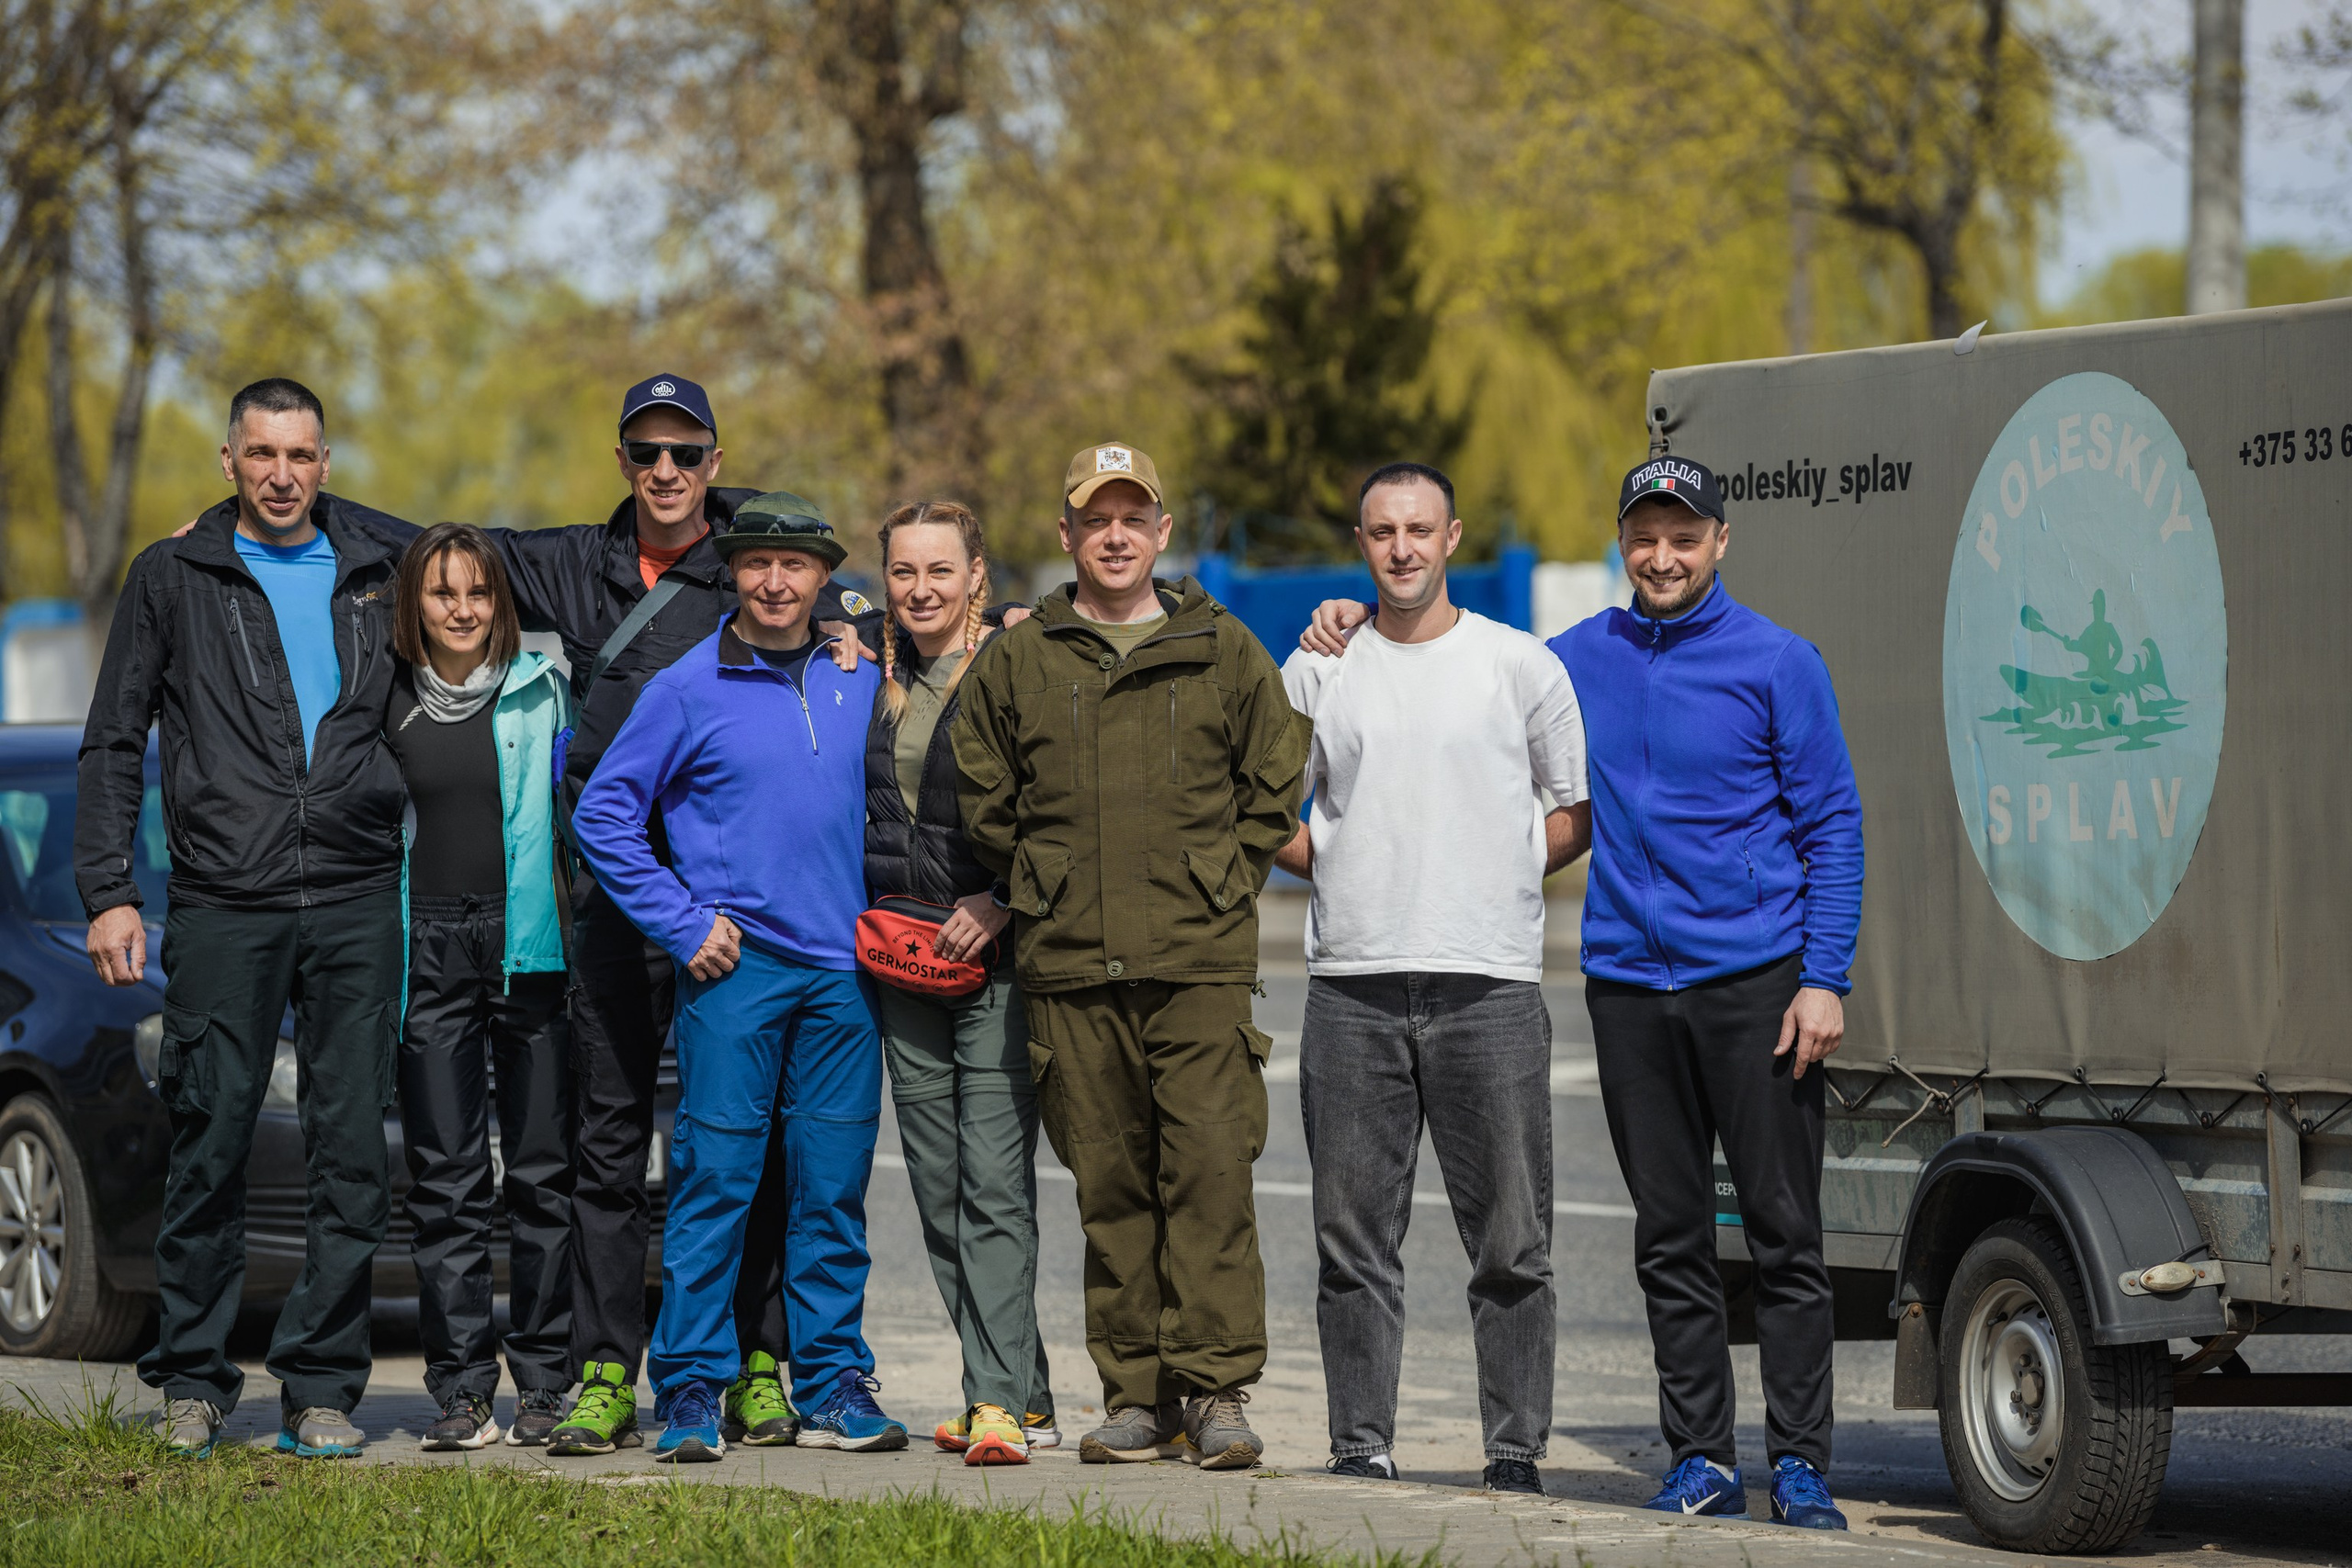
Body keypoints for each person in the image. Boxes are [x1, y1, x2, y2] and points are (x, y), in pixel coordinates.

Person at [1299, 454, 1865, 1529]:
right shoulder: (1565, 662)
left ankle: (1799, 1463)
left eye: (1683, 537)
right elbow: (1442, 675)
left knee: (1785, 1231)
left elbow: (1834, 828)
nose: (1662, 557)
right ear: (1622, 543)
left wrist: (1823, 978)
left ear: (1718, 543)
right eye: (1644, 538)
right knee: (1668, 1232)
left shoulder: (1780, 663)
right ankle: (1701, 1456)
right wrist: (1345, 617)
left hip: (1756, 985)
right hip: (1628, 985)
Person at [327, 374, 865, 1454]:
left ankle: (759, 1362)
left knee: (742, 1149)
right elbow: (441, 547)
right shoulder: (574, 559)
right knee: (606, 1149)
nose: (664, 472)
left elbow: (855, 595)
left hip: (732, 910)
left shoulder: (754, 557)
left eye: (686, 453)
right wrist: (294, 509)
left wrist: (875, 625)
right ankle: (609, 1364)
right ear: (622, 460)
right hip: (612, 900)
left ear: (714, 461)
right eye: (645, 452)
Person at [953, 443, 1310, 1470]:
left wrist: (1218, 881)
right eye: (1092, 518)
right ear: (1065, 536)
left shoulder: (1221, 646)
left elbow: (1274, 781)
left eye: (1132, 517)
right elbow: (984, 786)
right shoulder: (1021, 658)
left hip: (1197, 967)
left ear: (1160, 533)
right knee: (1108, 1187)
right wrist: (1040, 884)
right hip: (1070, 964)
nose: (1113, 535)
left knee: (1206, 1177)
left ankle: (1216, 1393)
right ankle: (1136, 1397)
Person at [76, 378, 410, 1460]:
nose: (280, 474)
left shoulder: (377, 566)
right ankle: (195, 1381)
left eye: (301, 455)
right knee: (210, 1141)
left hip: (359, 896)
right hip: (226, 901)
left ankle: (320, 1386)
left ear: (326, 461)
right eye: (260, 453)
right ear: (227, 460)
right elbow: (114, 738)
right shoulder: (173, 575)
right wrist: (110, 891)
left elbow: (499, 560)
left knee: (351, 1149)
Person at [1274, 463, 1590, 1497]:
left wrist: (1492, 876)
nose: (1400, 548)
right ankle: (1360, 1442)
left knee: (1510, 1239)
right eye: (1379, 531)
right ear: (1359, 542)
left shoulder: (1520, 665)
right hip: (1352, 990)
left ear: (1451, 536)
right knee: (1353, 1242)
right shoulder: (1320, 669)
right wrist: (1353, 865)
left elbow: (1570, 810)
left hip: (1489, 989)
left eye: (1418, 529)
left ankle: (1514, 1450)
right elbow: (1268, 809)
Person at [571, 492, 904, 1464]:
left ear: (819, 579)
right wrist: (682, 922)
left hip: (845, 979)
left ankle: (835, 1381)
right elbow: (603, 815)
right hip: (736, 977)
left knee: (830, 1192)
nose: (772, 581)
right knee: (714, 1184)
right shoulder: (682, 688)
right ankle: (687, 1391)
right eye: (755, 563)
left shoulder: (860, 675)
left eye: (794, 566)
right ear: (733, 572)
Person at [862, 500, 1054, 1468]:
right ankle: (1021, 1385)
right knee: (936, 1190)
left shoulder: (1018, 662)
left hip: (994, 964)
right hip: (902, 965)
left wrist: (1006, 899)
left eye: (941, 571)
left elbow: (1063, 804)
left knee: (992, 1186)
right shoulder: (867, 663)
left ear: (978, 576)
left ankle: (993, 1403)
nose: (922, 589)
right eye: (904, 573)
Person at [384, 525, 575, 1450]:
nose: (462, 610)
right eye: (442, 593)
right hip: (426, 951)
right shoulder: (385, 703)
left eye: (479, 593)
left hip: (528, 947)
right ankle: (461, 1389)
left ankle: (544, 1384)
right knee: (447, 1181)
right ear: (414, 604)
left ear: (502, 602)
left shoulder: (545, 691)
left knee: (540, 1175)